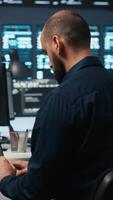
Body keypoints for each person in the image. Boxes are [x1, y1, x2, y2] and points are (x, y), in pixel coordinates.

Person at [0, 10, 113, 200]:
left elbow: (33, 192)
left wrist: (4, 178)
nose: (49, 63)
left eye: (46, 52)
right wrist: (41, 169)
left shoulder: (62, 100)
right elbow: (96, 164)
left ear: (57, 44)